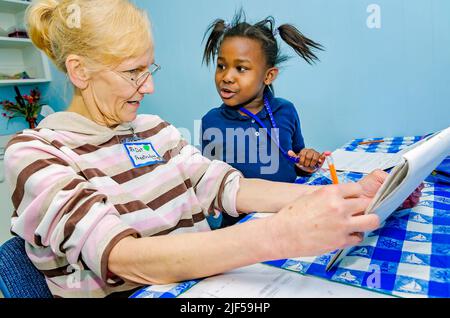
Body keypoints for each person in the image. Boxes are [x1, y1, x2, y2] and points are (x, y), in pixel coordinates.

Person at [4, 0, 396, 298]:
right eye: (132, 72)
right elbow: (121, 258)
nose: (149, 86)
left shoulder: (155, 130)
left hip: (202, 289)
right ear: (79, 71)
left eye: (149, 69)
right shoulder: (35, 154)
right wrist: (281, 234)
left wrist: (343, 193)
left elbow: (224, 185)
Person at [200, 11, 325, 227]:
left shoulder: (286, 110)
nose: (227, 77)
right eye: (221, 66)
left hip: (290, 219)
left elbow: (295, 161)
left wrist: (306, 161)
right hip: (239, 230)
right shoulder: (211, 122)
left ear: (268, 76)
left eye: (241, 68)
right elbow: (211, 186)